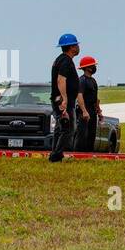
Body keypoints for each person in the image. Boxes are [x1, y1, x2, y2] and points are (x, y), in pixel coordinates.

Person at [49, 33, 90, 163]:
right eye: (76, 45)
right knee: (67, 129)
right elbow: (61, 80)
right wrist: (64, 99)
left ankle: (55, 154)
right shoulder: (66, 61)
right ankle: (56, 156)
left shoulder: (60, 59)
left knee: (60, 129)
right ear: (71, 47)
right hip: (63, 101)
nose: (78, 47)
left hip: (60, 100)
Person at [75, 56, 102, 153]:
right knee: (83, 134)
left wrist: (99, 111)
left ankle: (89, 154)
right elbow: (79, 96)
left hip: (92, 110)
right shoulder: (82, 80)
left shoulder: (93, 81)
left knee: (91, 134)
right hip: (84, 111)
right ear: (87, 68)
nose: (95, 67)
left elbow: (96, 98)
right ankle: (79, 154)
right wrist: (84, 111)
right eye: (93, 65)